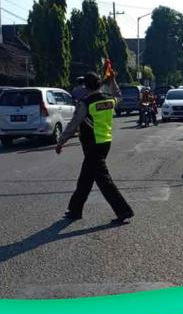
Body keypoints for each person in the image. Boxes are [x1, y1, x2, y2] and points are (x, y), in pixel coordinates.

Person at [55, 72, 134, 225]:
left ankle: (124, 210)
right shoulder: (109, 100)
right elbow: (118, 95)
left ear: (86, 86)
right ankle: (75, 210)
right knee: (86, 177)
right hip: (105, 142)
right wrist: (113, 81)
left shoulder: (86, 103)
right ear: (99, 85)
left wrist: (61, 141)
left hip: (92, 145)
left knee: (104, 180)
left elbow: (74, 124)